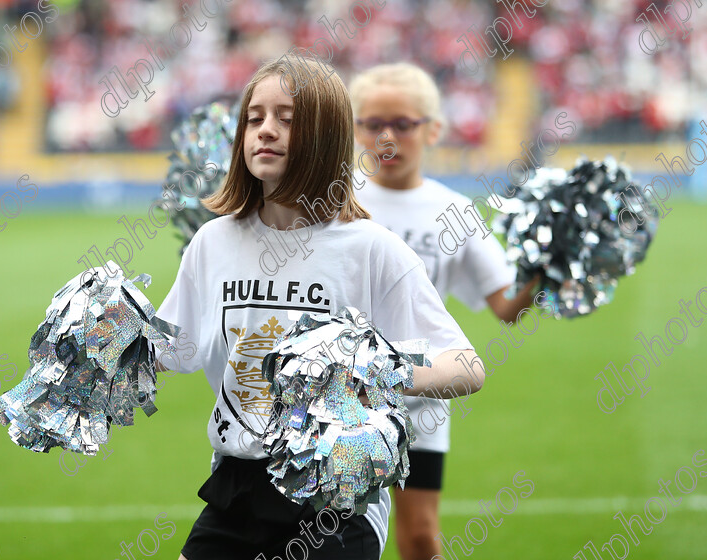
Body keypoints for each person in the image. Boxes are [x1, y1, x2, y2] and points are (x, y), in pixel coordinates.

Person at [154, 56, 485, 560]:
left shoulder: (371, 247)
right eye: (255, 117)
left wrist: (374, 369)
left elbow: (467, 366)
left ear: (326, 135)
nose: (266, 130)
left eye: (286, 119)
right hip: (237, 489)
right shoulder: (212, 241)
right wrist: (104, 343)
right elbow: (171, 348)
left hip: (337, 500)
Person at [348, 62, 538, 560]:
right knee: (328, 537)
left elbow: (506, 306)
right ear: (353, 128)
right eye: (371, 123)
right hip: (337, 394)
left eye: (403, 124)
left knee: (419, 538)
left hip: (420, 397)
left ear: (433, 129)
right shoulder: (335, 199)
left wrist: (546, 265)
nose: (386, 136)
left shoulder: (455, 212)